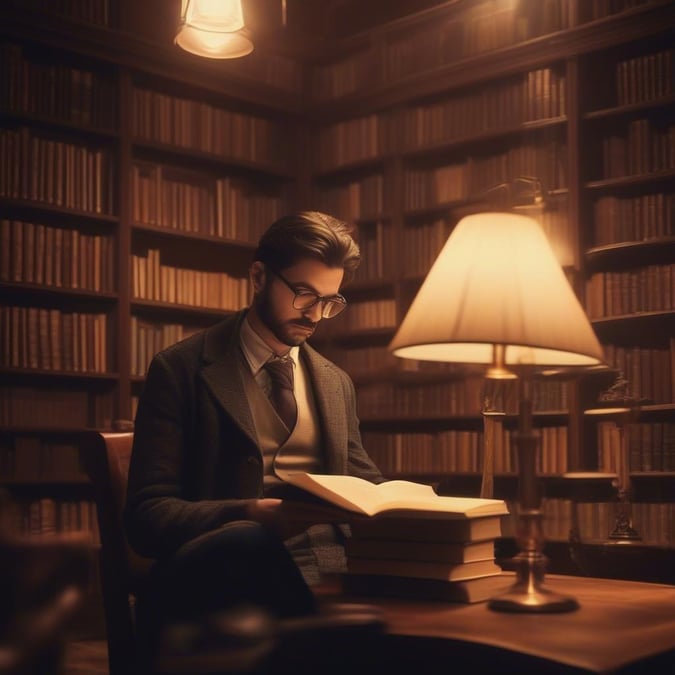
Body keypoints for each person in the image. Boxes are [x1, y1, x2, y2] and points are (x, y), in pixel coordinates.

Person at [124, 211, 385, 660]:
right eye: (303, 293)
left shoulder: (336, 381)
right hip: (224, 567)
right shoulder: (181, 369)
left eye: (330, 301)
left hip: (329, 561)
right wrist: (249, 513)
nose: (316, 315)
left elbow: (365, 486)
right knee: (249, 541)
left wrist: (422, 514)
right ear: (259, 276)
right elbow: (148, 517)